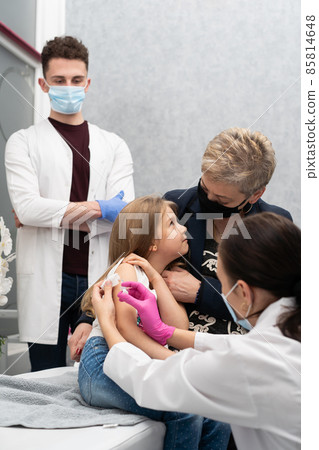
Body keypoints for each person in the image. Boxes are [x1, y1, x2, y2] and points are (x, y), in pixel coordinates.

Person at [93, 212, 301, 450]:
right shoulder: (292, 329)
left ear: (244, 292)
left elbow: (149, 381)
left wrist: (107, 323)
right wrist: (164, 332)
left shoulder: (250, 362)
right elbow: (238, 349)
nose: (183, 229)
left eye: (222, 285)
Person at [5, 36, 134, 371]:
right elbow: (28, 207)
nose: (68, 87)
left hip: (97, 277)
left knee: (95, 374)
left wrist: (51, 212)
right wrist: (97, 208)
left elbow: (125, 213)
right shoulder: (23, 142)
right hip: (48, 275)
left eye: (76, 80)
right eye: (59, 80)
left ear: (87, 83)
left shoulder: (114, 145)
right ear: (43, 84)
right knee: (44, 376)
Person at [78, 195, 231, 450]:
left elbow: (178, 328)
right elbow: (126, 331)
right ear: (151, 243)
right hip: (102, 364)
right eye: (172, 224)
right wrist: (174, 362)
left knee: (218, 415)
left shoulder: (167, 276)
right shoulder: (128, 269)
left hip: (137, 361)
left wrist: (158, 280)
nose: (183, 229)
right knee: (185, 412)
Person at [163, 127, 293, 336]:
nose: (209, 200)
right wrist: (89, 318)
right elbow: (138, 262)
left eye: (223, 199)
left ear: (255, 194)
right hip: (175, 338)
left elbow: (274, 311)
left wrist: (201, 292)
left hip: (243, 347)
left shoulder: (276, 224)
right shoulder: (177, 204)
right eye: (204, 189)